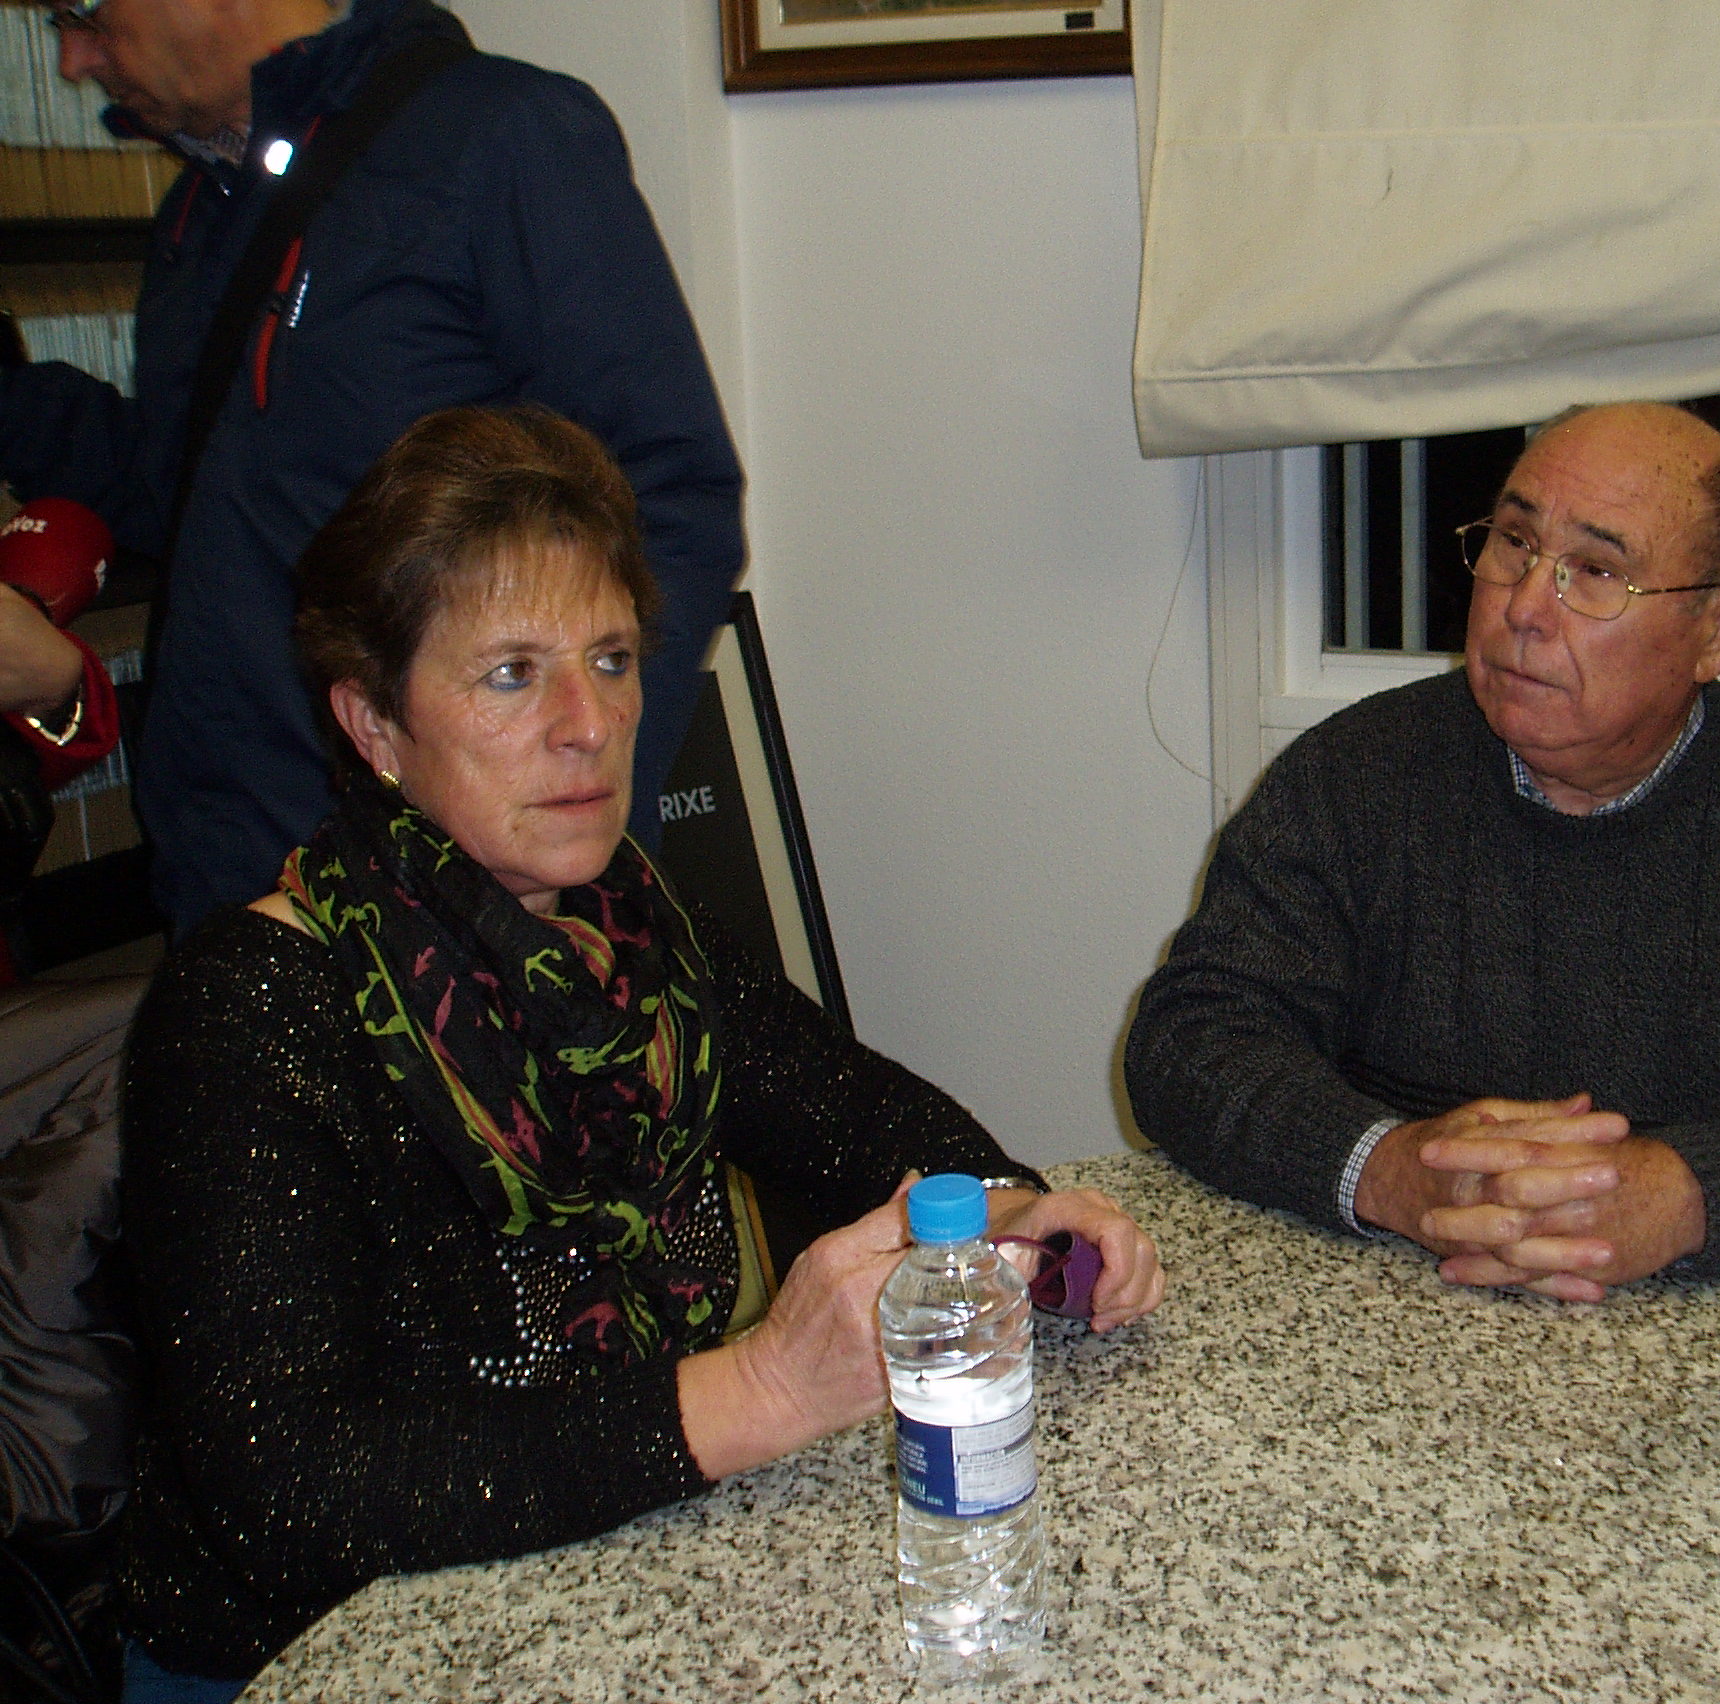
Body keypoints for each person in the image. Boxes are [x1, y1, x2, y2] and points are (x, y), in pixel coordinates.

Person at [116, 407, 1165, 1698]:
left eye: (610, 660)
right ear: (374, 726)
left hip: (595, 1581)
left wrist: (1010, 1214)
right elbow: (288, 1490)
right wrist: (762, 1390)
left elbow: (864, 1121)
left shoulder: (636, 935)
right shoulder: (247, 1007)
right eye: (512, 674)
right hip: (299, 1658)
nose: (589, 722)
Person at [1125, 403, 1720, 1300]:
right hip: (1397, 1294)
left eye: (1597, 571)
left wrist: (1694, 1194)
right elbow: (1191, 1038)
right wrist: (1387, 1169)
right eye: (1515, 543)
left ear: (1718, 630)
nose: (1524, 606)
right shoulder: (1354, 775)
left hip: (1708, 1331)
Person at [0, 0, 743, 931]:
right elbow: (191, 501)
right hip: (237, 870)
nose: (72, 60)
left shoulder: (500, 137)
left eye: (86, 15)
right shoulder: (201, 209)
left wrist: (554, 826)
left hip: (446, 907)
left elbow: (673, 496)